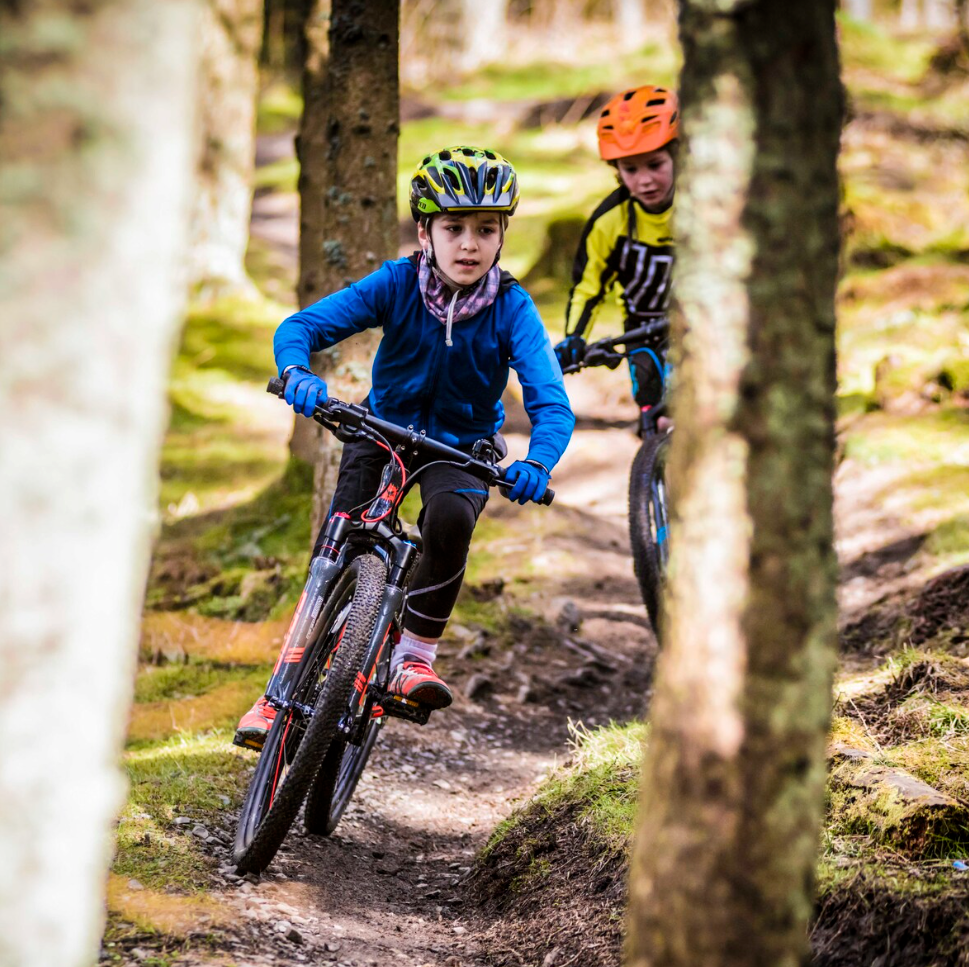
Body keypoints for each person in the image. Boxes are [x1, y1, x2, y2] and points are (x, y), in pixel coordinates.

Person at [234, 146, 574, 751]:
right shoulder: (396, 283)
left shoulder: (512, 308)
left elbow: (551, 402)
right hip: (382, 429)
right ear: (425, 231)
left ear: (502, 237)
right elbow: (300, 328)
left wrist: (536, 463)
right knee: (336, 547)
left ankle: (413, 657)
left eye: (485, 230)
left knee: (448, 519)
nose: (469, 244)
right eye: (453, 228)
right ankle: (277, 692)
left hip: (462, 446)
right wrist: (299, 374)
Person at [552, 85, 678, 411]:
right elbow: (588, 286)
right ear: (617, 171)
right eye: (631, 169)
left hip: (703, 326)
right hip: (643, 333)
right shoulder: (610, 221)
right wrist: (574, 338)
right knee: (657, 415)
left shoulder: (704, 206)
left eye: (655, 165)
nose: (644, 180)